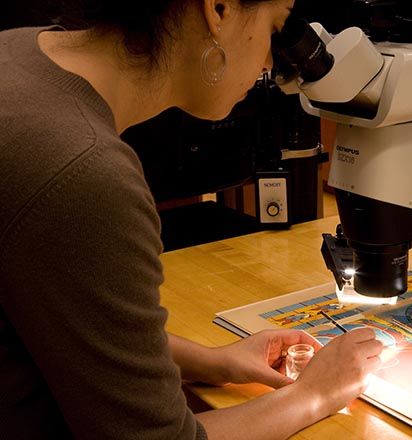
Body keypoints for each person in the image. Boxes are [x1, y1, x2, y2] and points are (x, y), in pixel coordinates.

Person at [0, 0, 383, 438]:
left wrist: (213, 361)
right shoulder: (84, 173)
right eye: (274, 29)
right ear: (218, 8)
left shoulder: (17, 53)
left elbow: (66, 321)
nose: (268, 61)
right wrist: (314, 393)